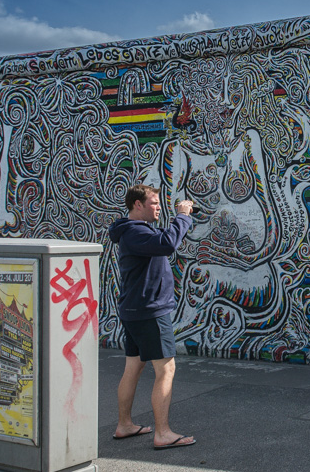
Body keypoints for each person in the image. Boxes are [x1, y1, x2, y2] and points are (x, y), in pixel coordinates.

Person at [109, 184, 197, 450]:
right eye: (154, 203)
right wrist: (182, 217)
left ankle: (124, 425)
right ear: (138, 204)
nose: (159, 207)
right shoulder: (135, 232)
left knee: (133, 367)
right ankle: (163, 433)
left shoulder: (135, 231)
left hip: (136, 310)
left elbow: (163, 239)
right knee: (166, 369)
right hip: (149, 311)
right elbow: (168, 243)